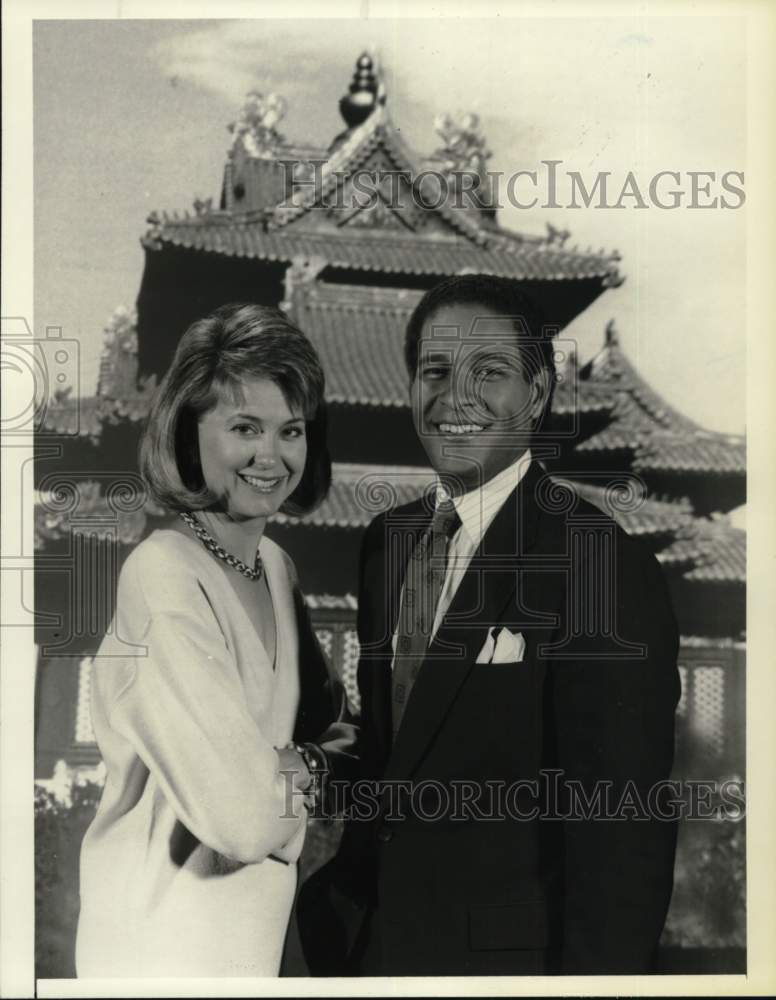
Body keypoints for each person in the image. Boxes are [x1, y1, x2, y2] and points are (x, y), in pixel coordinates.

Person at [298, 274, 680, 976]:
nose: (455, 397)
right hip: (367, 952)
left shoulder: (596, 563)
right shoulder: (388, 544)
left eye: (489, 372)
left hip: (505, 967)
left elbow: (623, 833)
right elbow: (396, 751)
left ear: (536, 393)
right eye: (434, 372)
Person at [75, 303, 357, 977]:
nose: (271, 456)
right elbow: (244, 817)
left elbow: (346, 736)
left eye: (291, 430)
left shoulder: (276, 568)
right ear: (188, 432)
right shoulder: (163, 574)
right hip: (157, 945)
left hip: (251, 943)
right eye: (244, 428)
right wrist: (310, 770)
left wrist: (290, 767)